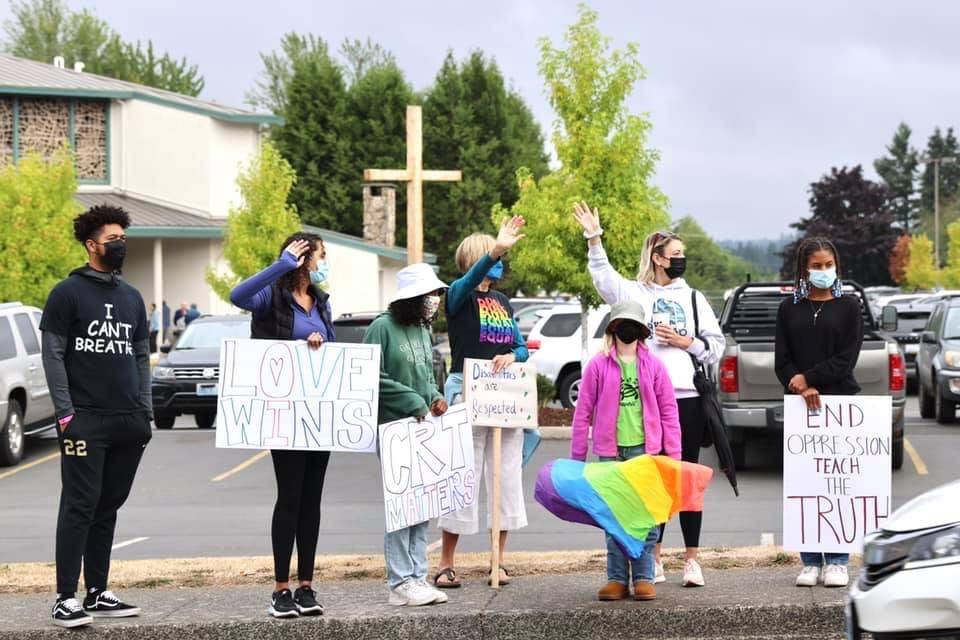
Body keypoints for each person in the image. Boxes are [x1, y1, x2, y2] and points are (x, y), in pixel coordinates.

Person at [573, 202, 724, 587]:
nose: (680, 261)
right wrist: (594, 239)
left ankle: (692, 559)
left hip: (686, 399)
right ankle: (652, 558)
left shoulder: (694, 298)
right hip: (643, 404)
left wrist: (685, 341)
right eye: (675, 255)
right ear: (656, 258)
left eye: (682, 256)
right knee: (648, 483)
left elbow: (716, 345)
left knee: (682, 477)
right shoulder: (635, 293)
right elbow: (604, 279)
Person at [40, 205, 152, 628]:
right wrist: (66, 414)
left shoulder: (131, 297)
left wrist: (146, 412)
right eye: (113, 239)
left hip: (128, 420)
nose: (120, 245)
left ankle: (98, 590)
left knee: (108, 506)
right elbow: (52, 355)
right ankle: (65, 597)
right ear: (91, 245)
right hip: (84, 419)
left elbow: (141, 355)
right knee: (79, 505)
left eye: (123, 238)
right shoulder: (66, 293)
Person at [229, 232, 335, 618]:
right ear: (303, 258)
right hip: (283, 413)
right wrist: (280, 267)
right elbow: (237, 296)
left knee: (312, 500)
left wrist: (322, 343)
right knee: (289, 497)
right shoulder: (270, 296)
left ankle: (307, 585)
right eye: (321, 255)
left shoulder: (321, 302)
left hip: (317, 414)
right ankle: (280, 589)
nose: (324, 262)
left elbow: (333, 348)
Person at [434, 217, 529, 589]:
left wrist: (513, 356)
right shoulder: (457, 295)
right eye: (496, 255)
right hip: (467, 392)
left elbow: (520, 344)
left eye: (503, 254)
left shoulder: (503, 301)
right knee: (463, 476)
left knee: (505, 478)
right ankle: (445, 563)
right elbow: (470, 279)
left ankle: (499, 560)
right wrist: (495, 249)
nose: (503, 261)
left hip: (504, 394)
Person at [571, 301, 681, 601]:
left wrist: (674, 454)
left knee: (645, 517)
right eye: (622, 324)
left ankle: (644, 576)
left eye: (633, 325)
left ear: (641, 331)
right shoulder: (597, 365)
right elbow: (583, 413)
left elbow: (669, 411)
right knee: (613, 518)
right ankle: (617, 579)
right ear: (613, 328)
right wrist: (577, 460)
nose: (628, 330)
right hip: (610, 453)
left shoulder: (654, 365)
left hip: (645, 451)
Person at [775, 237, 862, 589]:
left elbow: (847, 358)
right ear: (804, 268)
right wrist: (799, 385)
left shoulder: (849, 305)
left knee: (837, 484)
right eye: (817, 265)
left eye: (828, 265)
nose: (823, 271)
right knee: (806, 483)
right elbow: (782, 359)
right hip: (800, 408)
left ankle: (838, 560)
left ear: (836, 265)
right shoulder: (788, 309)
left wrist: (809, 378)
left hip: (839, 403)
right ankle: (810, 560)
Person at [363, 263, 450, 607]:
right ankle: (400, 580)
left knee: (421, 503)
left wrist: (434, 397)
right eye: (430, 295)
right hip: (394, 428)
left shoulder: (421, 330)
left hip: (422, 428)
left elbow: (426, 374)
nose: (435, 301)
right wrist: (413, 400)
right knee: (401, 505)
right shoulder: (381, 328)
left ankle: (417, 575)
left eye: (437, 295)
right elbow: (372, 375)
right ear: (412, 298)